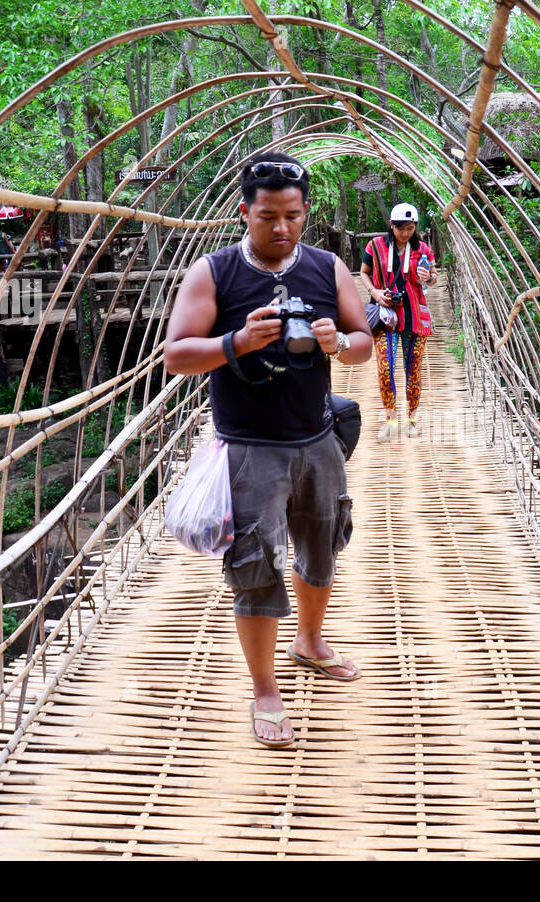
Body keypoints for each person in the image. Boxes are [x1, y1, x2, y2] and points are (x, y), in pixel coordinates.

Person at [164, 152, 372, 748]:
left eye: (293, 215)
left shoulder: (328, 268)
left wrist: (338, 341)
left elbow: (363, 343)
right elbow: (175, 356)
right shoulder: (214, 273)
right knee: (255, 568)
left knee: (323, 547)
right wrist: (236, 342)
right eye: (267, 216)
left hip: (317, 440)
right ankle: (264, 690)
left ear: (306, 213)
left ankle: (308, 641)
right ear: (244, 213)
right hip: (248, 449)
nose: (281, 228)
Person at [359, 203, 438, 442]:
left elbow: (434, 278)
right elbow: (363, 272)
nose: (405, 233)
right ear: (391, 226)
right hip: (386, 316)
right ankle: (391, 420)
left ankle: (412, 420)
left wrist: (430, 278)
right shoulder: (375, 247)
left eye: (411, 228)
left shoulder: (423, 249)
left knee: (413, 370)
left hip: (414, 317)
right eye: (401, 228)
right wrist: (374, 292)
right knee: (385, 368)